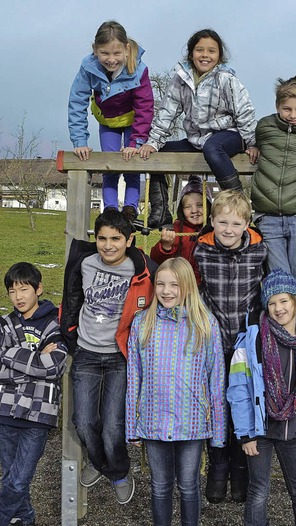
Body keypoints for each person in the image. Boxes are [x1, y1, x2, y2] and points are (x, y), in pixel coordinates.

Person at [59, 208, 157, 505]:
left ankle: (118, 471)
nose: (108, 245)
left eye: (116, 238)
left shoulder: (143, 269)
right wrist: (70, 331)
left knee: (114, 424)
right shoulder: (84, 263)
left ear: (129, 240)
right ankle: (99, 462)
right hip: (87, 351)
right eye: (102, 238)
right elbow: (71, 295)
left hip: (119, 356)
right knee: (84, 421)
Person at [227, 269, 296, 526]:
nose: (278, 308)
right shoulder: (253, 340)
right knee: (259, 491)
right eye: (271, 303)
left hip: (293, 430)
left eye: (284, 301)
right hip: (260, 430)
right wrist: (245, 434)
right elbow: (239, 389)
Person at [126, 257, 227, 526]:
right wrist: (131, 426)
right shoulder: (142, 323)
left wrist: (218, 431)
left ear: (187, 287)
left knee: (188, 485)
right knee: (160, 486)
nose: (166, 291)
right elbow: (134, 377)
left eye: (174, 285)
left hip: (191, 421)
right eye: (161, 284)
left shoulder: (205, 324)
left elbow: (216, 380)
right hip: (153, 418)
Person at [193, 189, 268, 504]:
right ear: (211, 222)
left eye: (235, 224)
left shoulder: (259, 252)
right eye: (222, 222)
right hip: (213, 342)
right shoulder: (201, 252)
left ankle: (240, 469)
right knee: (217, 407)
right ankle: (217, 466)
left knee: (242, 404)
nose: (228, 229)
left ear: (246, 226)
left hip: (244, 345)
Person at [139, 28, 257, 228]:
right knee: (158, 154)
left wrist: (252, 142)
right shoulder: (181, 79)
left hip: (228, 134)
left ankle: (240, 204)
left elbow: (244, 110)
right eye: (199, 50)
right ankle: (160, 211)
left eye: (211, 51)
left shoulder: (226, 78)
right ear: (191, 53)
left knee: (213, 148)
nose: (205, 55)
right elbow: (168, 110)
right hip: (197, 139)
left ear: (219, 56)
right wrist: (153, 141)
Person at [251, 74, 296, 311]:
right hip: (269, 215)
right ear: (277, 107)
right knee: (279, 284)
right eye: (287, 109)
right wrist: (253, 147)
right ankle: (281, 340)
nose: (293, 115)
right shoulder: (265, 127)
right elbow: (259, 143)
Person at [0, 263, 68, 526]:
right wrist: (36, 359)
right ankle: (25, 518)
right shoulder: (4, 324)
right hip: (5, 411)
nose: (18, 296)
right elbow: (42, 366)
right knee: (9, 476)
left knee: (20, 479)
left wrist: (8, 355)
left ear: (38, 289)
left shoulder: (55, 323)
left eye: (24, 289)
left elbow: (54, 366)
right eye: (12, 291)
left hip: (39, 415)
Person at [68, 20, 153, 225]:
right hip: (107, 121)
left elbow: (145, 106)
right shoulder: (88, 67)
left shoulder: (138, 69)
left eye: (116, 54)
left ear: (126, 49)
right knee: (110, 165)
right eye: (105, 53)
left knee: (131, 163)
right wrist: (80, 141)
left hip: (133, 120)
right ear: (95, 50)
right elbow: (76, 101)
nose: (111, 59)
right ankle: (111, 209)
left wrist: (136, 143)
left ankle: (130, 209)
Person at [149, 175, 211, 271]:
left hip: (205, 281)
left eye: (200, 205)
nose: (194, 210)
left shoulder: (213, 228)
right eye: (188, 207)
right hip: (181, 279)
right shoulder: (177, 229)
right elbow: (156, 260)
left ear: (209, 207)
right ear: (181, 210)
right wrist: (165, 246)